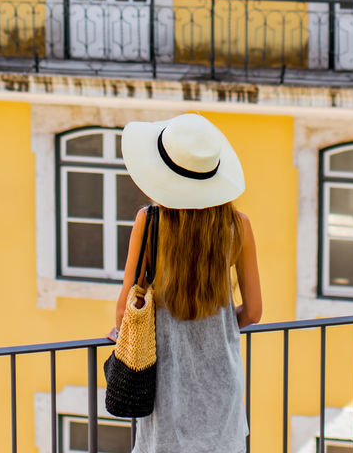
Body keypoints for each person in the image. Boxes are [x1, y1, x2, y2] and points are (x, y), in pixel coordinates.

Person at [109, 113, 263, 453]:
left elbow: (124, 310)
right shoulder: (238, 226)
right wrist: (216, 330)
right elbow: (253, 312)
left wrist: (127, 330)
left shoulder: (149, 222)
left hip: (168, 385)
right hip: (223, 386)